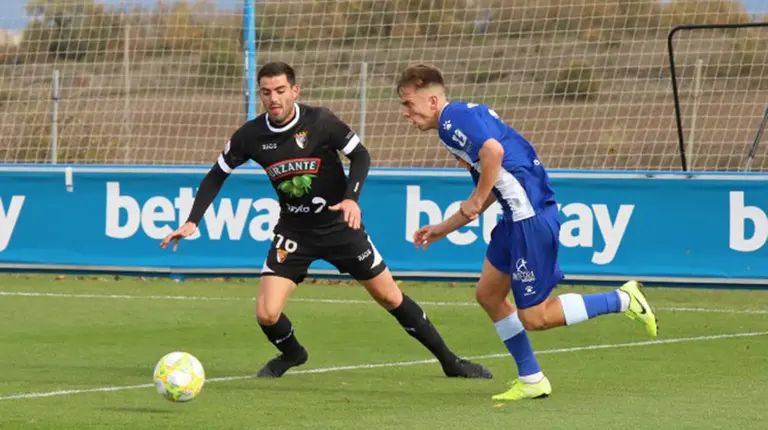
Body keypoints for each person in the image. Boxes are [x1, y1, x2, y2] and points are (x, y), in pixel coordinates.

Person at [160, 61, 492, 380]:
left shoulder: (320, 121)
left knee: (390, 297)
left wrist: (351, 198)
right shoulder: (251, 135)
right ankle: (292, 354)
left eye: (280, 90)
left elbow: (360, 154)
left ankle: (450, 362)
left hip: (339, 227)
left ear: (294, 90)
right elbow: (217, 175)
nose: (273, 98)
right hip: (294, 232)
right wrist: (193, 220)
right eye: (266, 92)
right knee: (266, 314)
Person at [395, 64, 658, 401]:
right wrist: (443, 229)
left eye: (408, 103)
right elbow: (494, 181)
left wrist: (474, 200)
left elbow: (494, 153)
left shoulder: (452, 120)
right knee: (489, 295)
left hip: (528, 218)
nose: (405, 113)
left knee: (535, 317)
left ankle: (622, 299)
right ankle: (532, 379)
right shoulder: (459, 119)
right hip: (514, 216)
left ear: (432, 100)